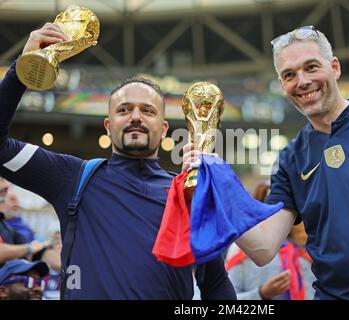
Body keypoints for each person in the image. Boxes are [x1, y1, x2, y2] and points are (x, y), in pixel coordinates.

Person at [184, 26, 349, 299]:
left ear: (334, 67)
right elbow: (263, 249)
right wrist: (217, 187)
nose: (302, 81)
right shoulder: (290, 160)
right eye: (289, 74)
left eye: (311, 67)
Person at [0, 23, 236, 300]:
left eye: (147, 110)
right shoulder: (72, 178)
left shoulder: (187, 194)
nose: (135, 116)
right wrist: (21, 71)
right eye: (124, 110)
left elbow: (216, 285)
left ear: (163, 129)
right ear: (108, 126)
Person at [225, 182, 315, 300]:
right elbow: (227, 298)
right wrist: (262, 293)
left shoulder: (303, 246)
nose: (277, 214)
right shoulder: (243, 245)